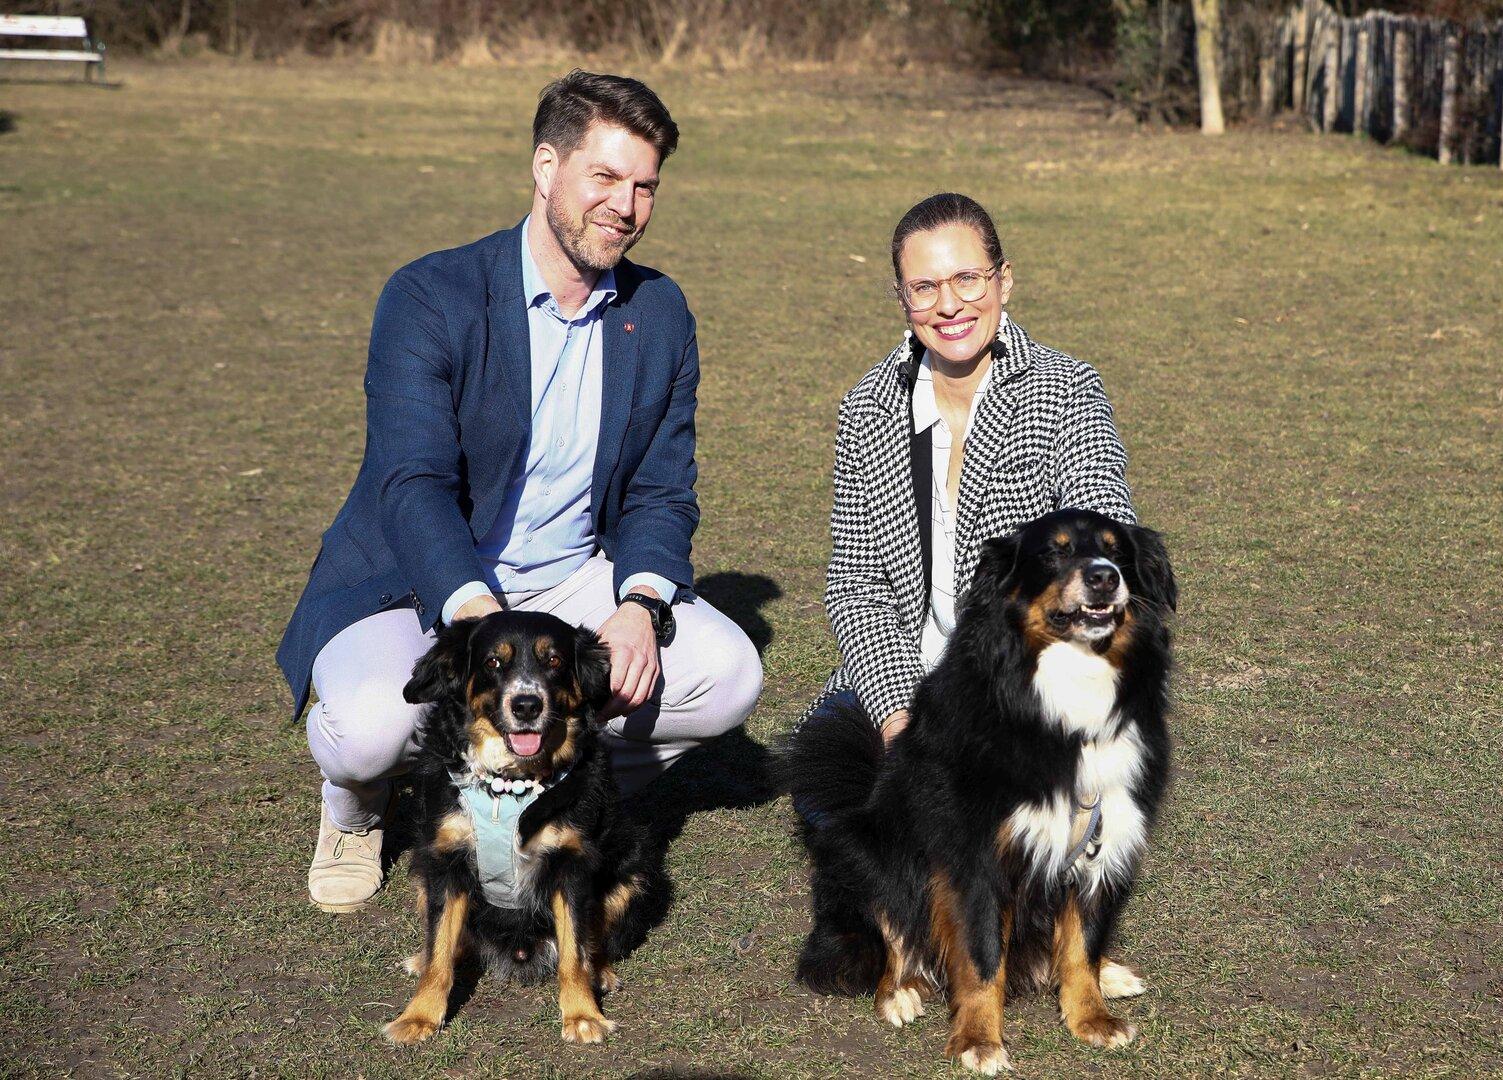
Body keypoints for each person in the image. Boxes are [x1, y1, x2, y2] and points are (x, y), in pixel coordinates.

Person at [279, 71, 764, 913]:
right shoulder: (431, 296)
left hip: (570, 576)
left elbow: (662, 488)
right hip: (419, 579)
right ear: (546, 168)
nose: (626, 206)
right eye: (605, 177)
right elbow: (412, 482)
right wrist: (476, 623)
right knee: (369, 732)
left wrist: (640, 604)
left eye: (645, 186)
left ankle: (541, 791)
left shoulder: (660, 312)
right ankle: (356, 811)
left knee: (728, 676)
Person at [802, 192, 1136, 746]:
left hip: (1033, 677)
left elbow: (1103, 536)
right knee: (823, 774)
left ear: (1003, 280)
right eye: (924, 287)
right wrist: (898, 718)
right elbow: (856, 584)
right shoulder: (867, 408)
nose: (949, 305)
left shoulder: (1067, 390)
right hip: (905, 676)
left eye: (967, 279)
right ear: (902, 298)